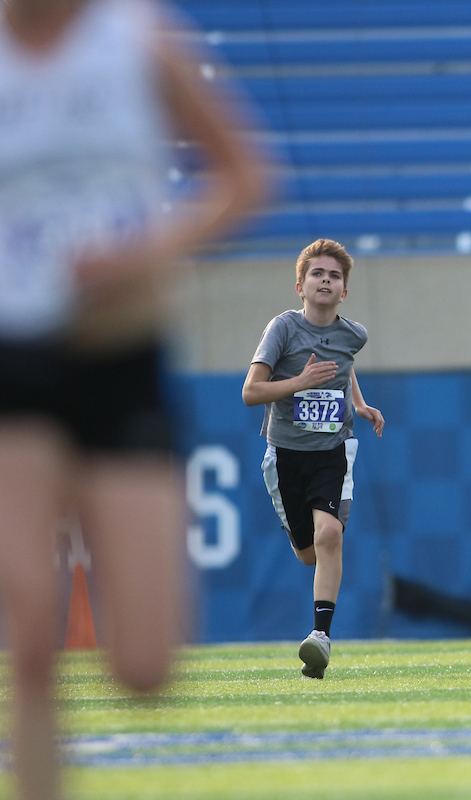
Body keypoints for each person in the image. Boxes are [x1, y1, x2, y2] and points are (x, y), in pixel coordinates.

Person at [0, 0, 266, 798]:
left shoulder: (140, 39)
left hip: (118, 358)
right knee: (31, 629)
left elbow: (247, 178)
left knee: (146, 667)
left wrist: (147, 251)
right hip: (13, 362)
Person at [243, 238, 384, 680]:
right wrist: (300, 381)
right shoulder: (282, 329)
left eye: (334, 276)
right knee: (309, 553)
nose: (326, 280)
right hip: (285, 455)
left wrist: (358, 403)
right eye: (317, 274)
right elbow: (251, 392)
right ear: (300, 285)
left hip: (331, 452)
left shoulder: (353, 334)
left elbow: (342, 365)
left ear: (344, 291)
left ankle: (320, 638)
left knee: (330, 538)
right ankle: (314, 572)